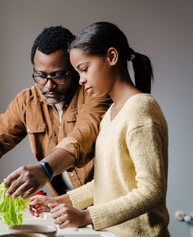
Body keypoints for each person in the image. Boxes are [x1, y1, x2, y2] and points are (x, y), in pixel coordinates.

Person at [28, 22, 170, 237]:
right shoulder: (112, 113)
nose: (81, 79)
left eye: (84, 69)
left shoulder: (141, 109)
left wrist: (87, 216)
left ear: (112, 57)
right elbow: (107, 184)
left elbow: (152, 192)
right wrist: (57, 203)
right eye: (77, 72)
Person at [0, 26, 111, 198]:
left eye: (58, 76)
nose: (49, 85)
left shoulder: (95, 92)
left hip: (102, 205)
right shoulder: (27, 101)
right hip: (62, 206)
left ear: (74, 68)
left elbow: (83, 136)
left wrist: (45, 169)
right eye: (41, 76)